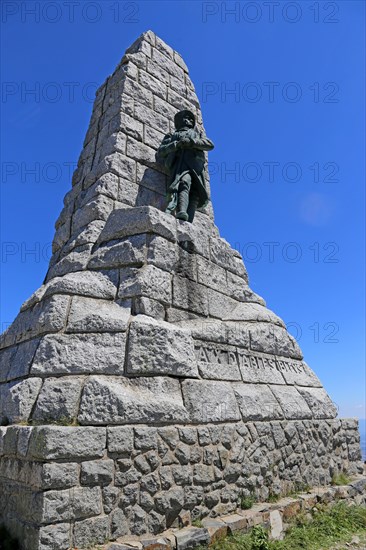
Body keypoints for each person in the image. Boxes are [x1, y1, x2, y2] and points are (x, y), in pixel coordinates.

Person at [157, 109, 214, 223]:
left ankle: (189, 221)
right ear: (179, 121)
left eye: (191, 119)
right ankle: (181, 211)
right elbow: (161, 151)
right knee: (184, 182)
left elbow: (209, 145)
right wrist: (176, 145)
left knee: (195, 193)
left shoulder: (197, 134)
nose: (189, 120)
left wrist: (192, 142)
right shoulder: (173, 135)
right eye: (186, 118)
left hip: (196, 167)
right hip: (181, 166)